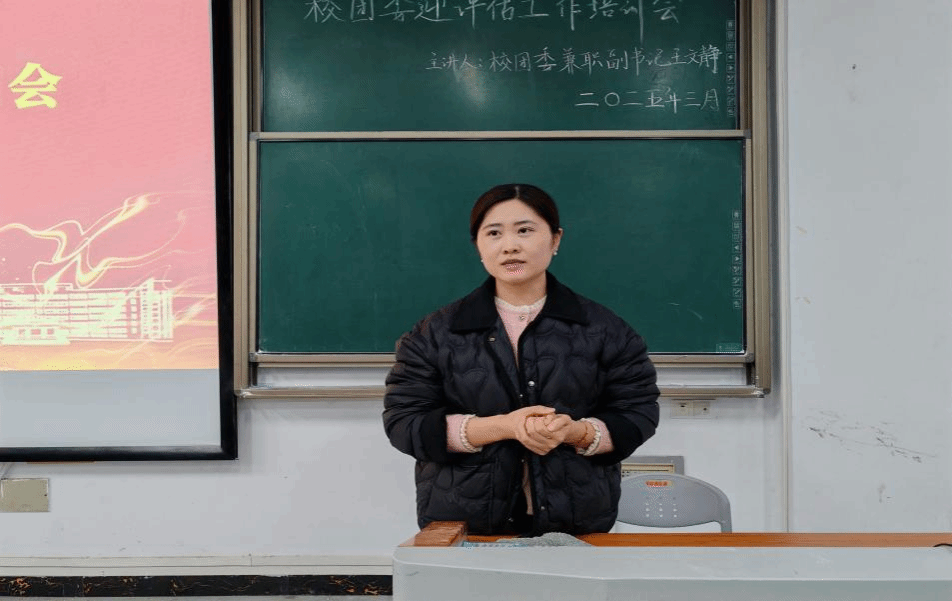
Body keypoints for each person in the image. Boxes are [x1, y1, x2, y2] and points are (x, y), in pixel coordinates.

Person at [382, 183, 660, 536]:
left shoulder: (606, 330)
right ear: (478, 246)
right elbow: (405, 423)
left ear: (555, 239)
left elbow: (637, 415)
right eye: (493, 233)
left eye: (525, 230)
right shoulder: (434, 333)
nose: (510, 246)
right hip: (464, 526)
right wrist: (505, 427)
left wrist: (573, 432)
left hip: (576, 525)